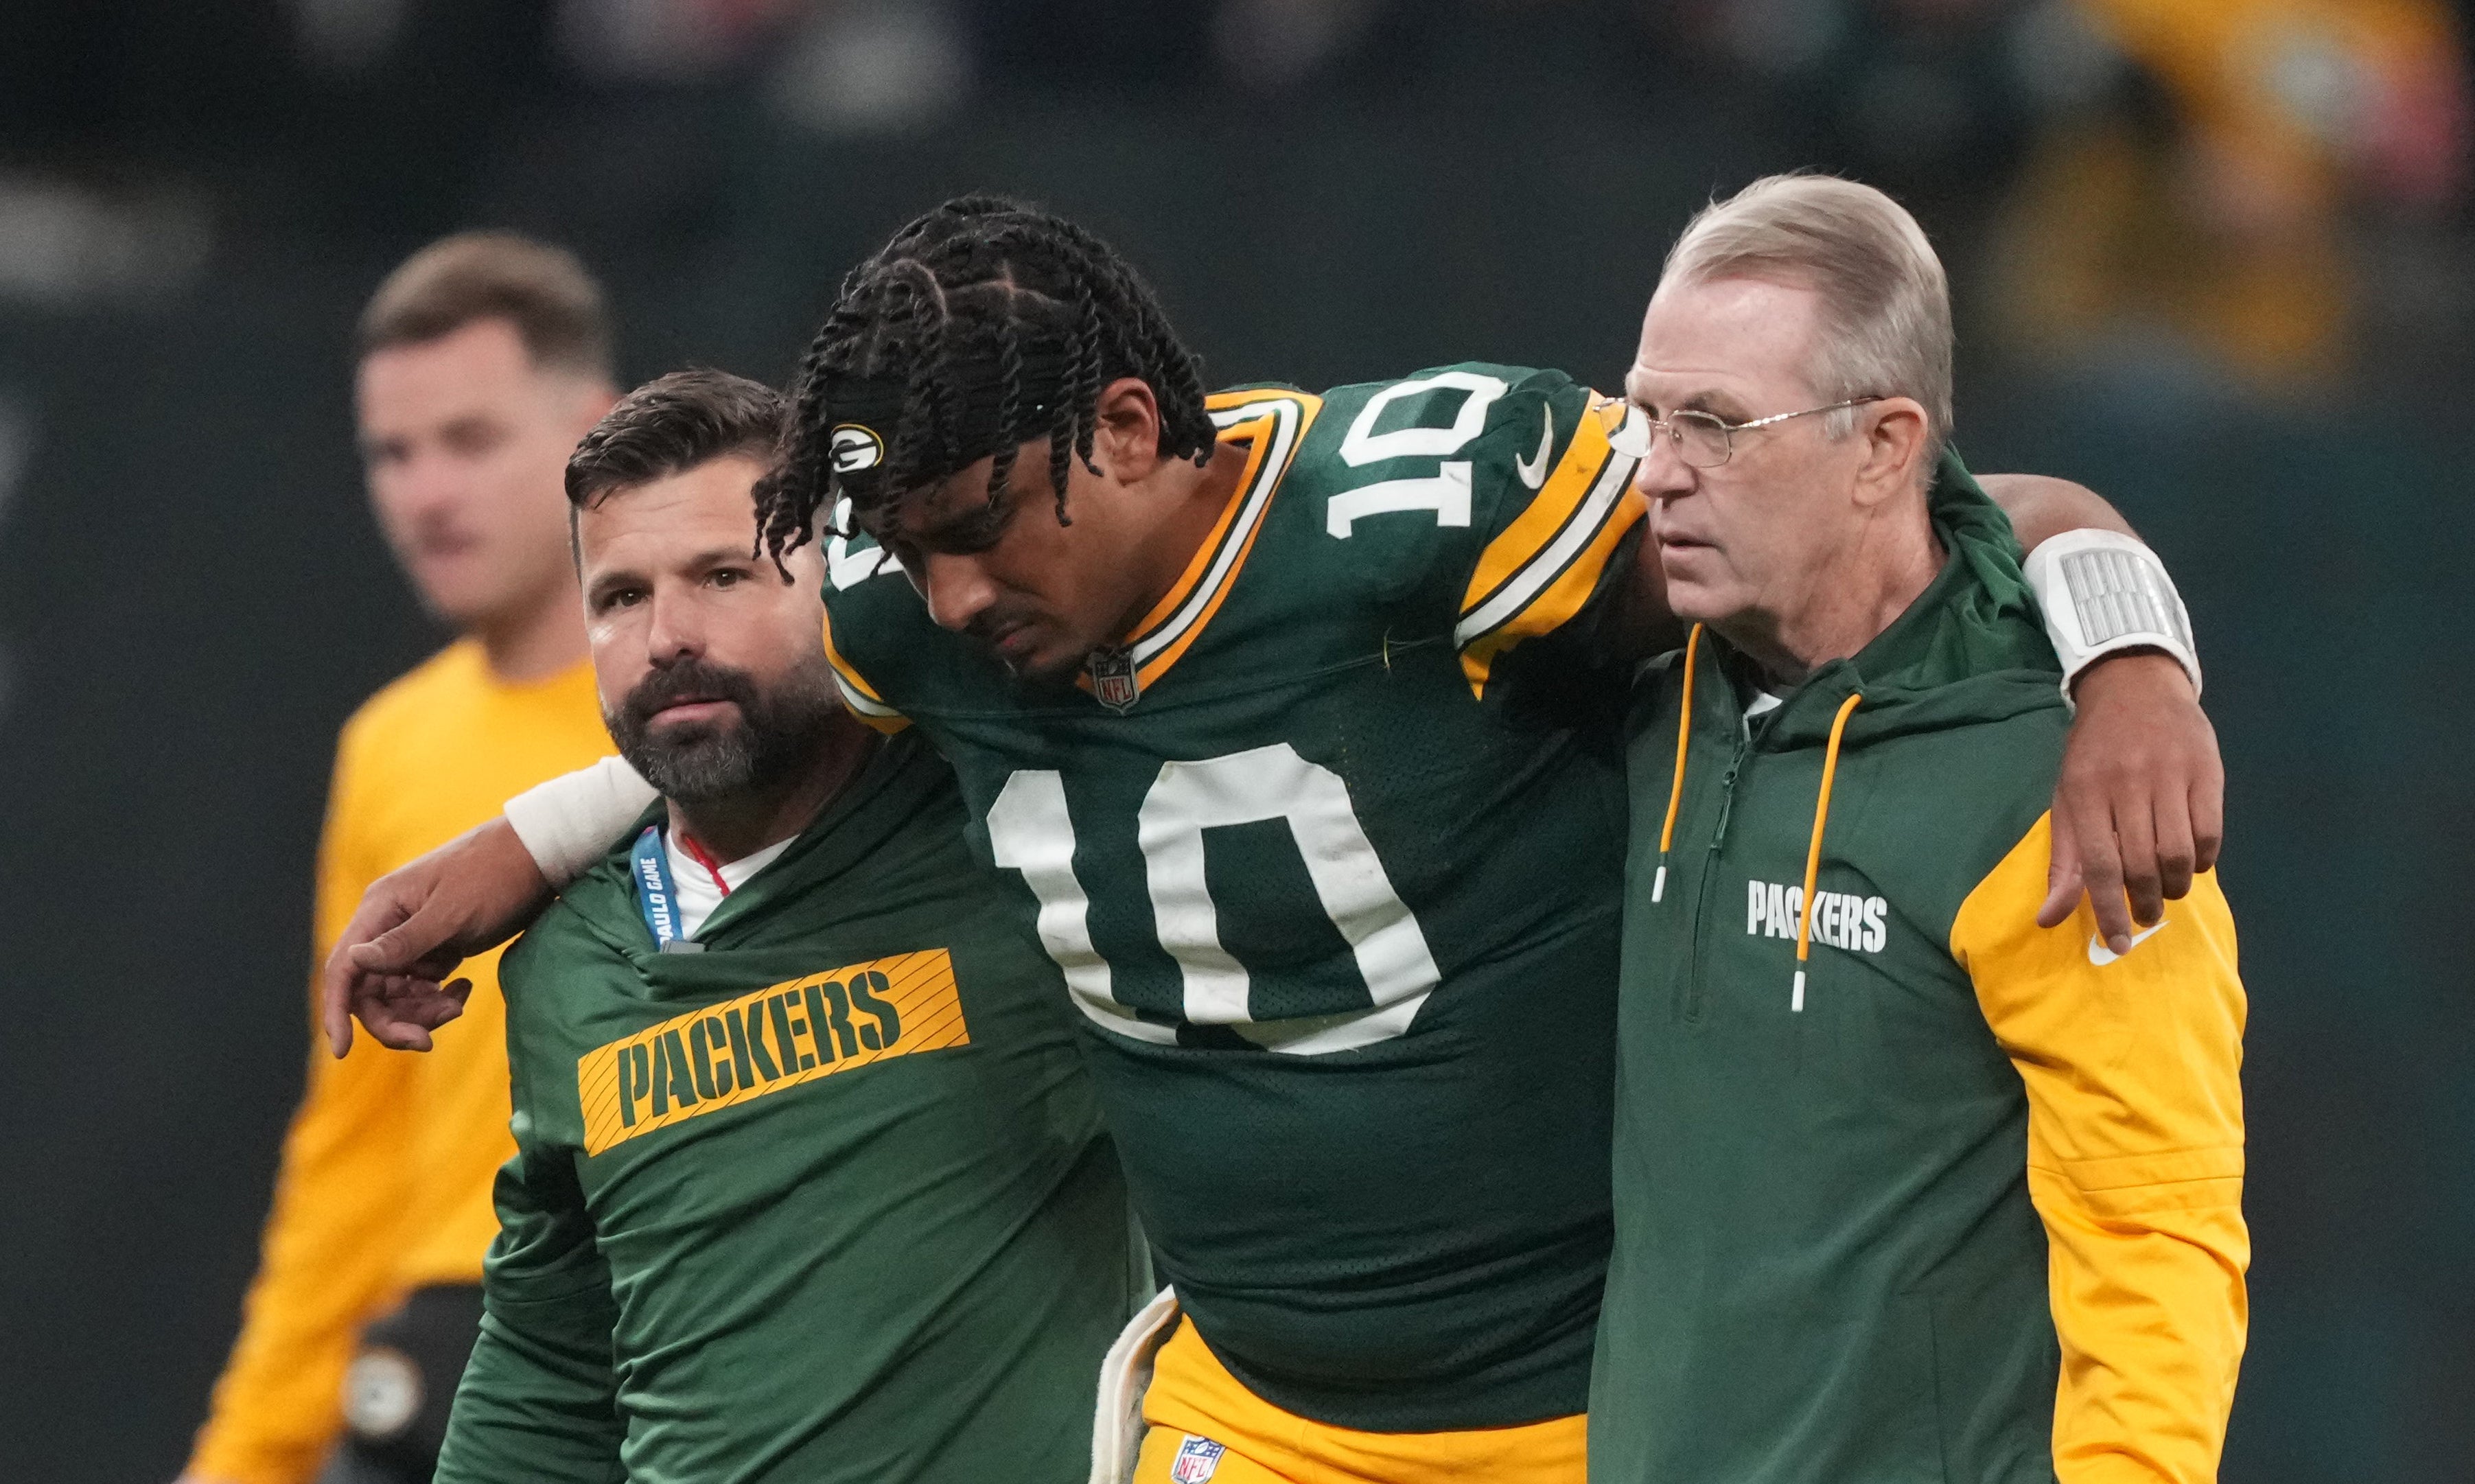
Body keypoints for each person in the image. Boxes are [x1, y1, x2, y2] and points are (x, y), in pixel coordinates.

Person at [323, 198, 2220, 1484]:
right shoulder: (912, 606)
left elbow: (1893, 521)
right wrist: (528, 836)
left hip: (1569, 1409)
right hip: (1244, 1406)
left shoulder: (1437, 509)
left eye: (984, 527)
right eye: (911, 541)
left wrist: (2127, 643)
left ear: (1125, 428)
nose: (954, 592)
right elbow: (737, 701)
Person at [1593, 176, 2246, 1482]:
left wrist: (2132, 664)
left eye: (1715, 423)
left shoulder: (2058, 794)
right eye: (1645, 416)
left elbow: (2155, 1238)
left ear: (1885, 446)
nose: (1657, 471)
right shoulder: (1642, 697)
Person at [432, 369, 1144, 1483]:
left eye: (725, 575)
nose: (667, 636)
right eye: (620, 597)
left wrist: (535, 828)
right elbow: (552, 1368)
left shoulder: (1015, 831)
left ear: (844, 579)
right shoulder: (568, 961)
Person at [180, 234, 621, 1484]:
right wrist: (248, 1456)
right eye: (393, 452)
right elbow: (354, 1142)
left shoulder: (718, 703)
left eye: (470, 441)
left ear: (596, 432)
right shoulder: (390, 745)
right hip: (438, 1352)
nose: (426, 493)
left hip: (665, 1321)